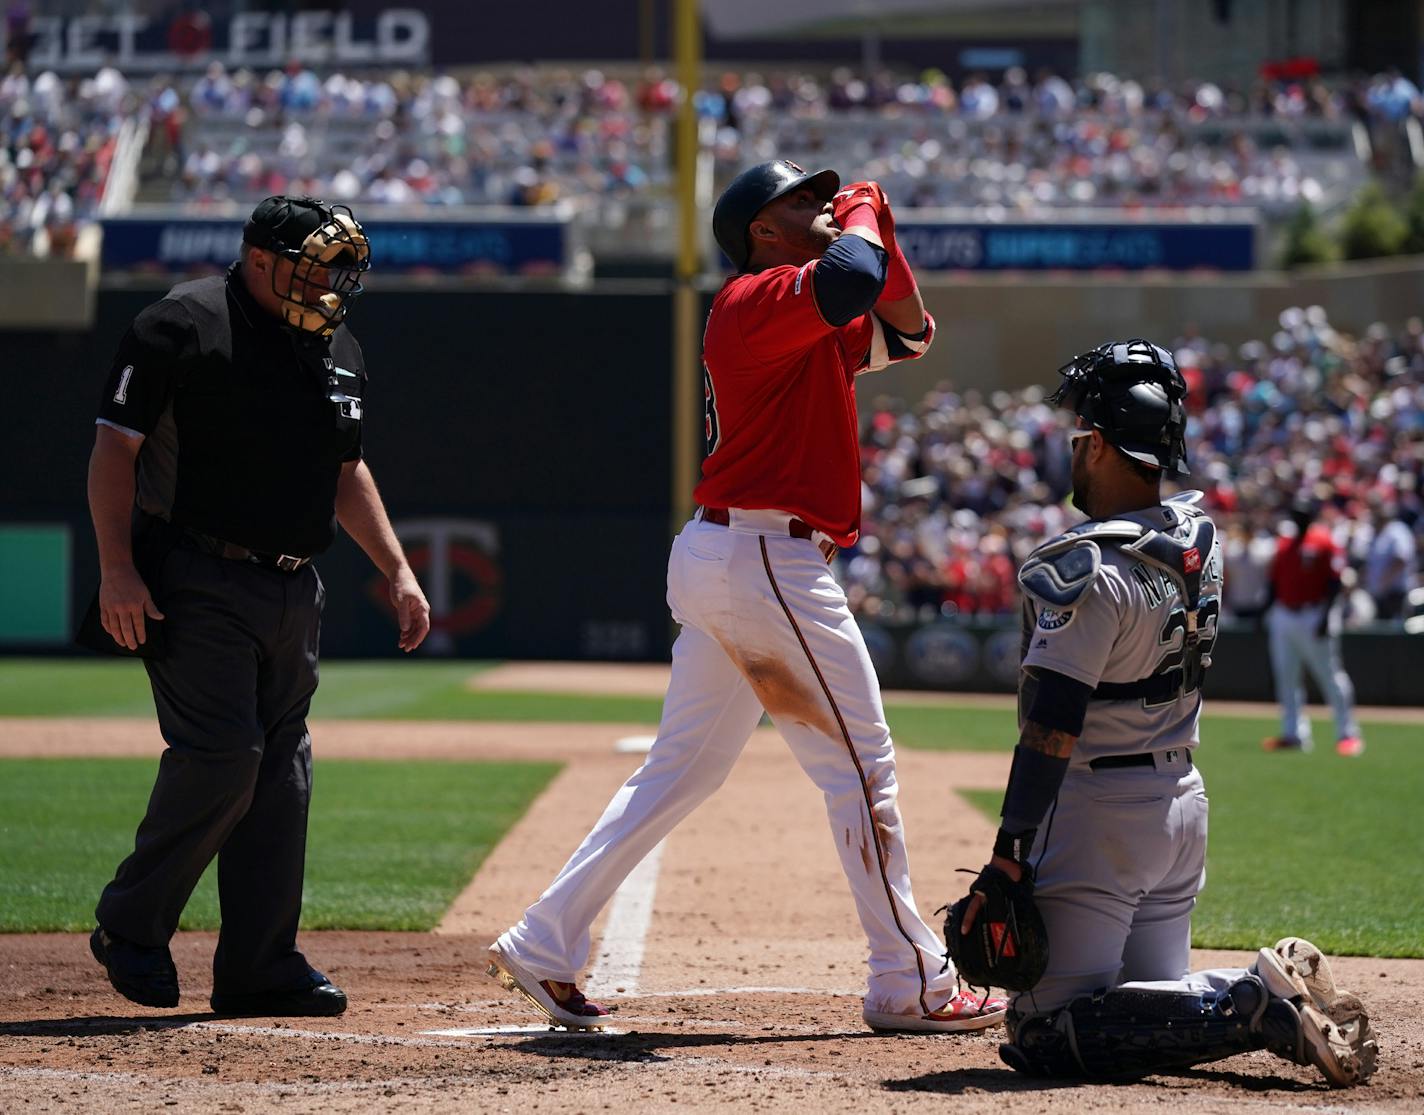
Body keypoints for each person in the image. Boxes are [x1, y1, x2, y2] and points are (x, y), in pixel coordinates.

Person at [486, 160, 1006, 1034]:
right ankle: (909, 977)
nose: (821, 206)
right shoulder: (755, 300)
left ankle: (545, 938)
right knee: (862, 766)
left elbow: (909, 331)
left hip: (739, 553)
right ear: (761, 229)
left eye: (824, 197)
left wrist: (875, 228)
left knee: (682, 769)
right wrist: (867, 210)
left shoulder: (802, 313)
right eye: (803, 199)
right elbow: (850, 277)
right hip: (766, 554)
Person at [949, 340, 1377, 1086]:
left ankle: (1251, 1003)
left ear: (1108, 446)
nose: (1074, 454)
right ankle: (1256, 991)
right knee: (1146, 1012)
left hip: (1098, 815)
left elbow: (1051, 727)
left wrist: (1009, 851)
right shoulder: (1198, 537)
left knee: (1043, 1031)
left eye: (1082, 439)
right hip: (1181, 807)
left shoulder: (1082, 565)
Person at [86, 195, 431, 1016]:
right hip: (193, 574)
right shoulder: (183, 322)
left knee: (282, 773)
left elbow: (348, 471)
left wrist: (398, 568)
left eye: (341, 272)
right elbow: (114, 447)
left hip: (293, 584)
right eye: (315, 270)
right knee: (224, 755)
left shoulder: (338, 345)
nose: (331, 287)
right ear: (261, 259)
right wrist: (116, 568)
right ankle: (129, 923)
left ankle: (258, 966)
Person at [1261, 497, 1364, 756]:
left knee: (1330, 676)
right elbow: (1274, 584)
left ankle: (1347, 734)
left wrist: (1327, 617)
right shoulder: (1284, 545)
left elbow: (1335, 583)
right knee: (1287, 677)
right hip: (1285, 614)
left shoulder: (1324, 541)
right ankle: (1293, 734)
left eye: (1301, 513)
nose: (1297, 517)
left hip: (1314, 612)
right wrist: (1265, 613)